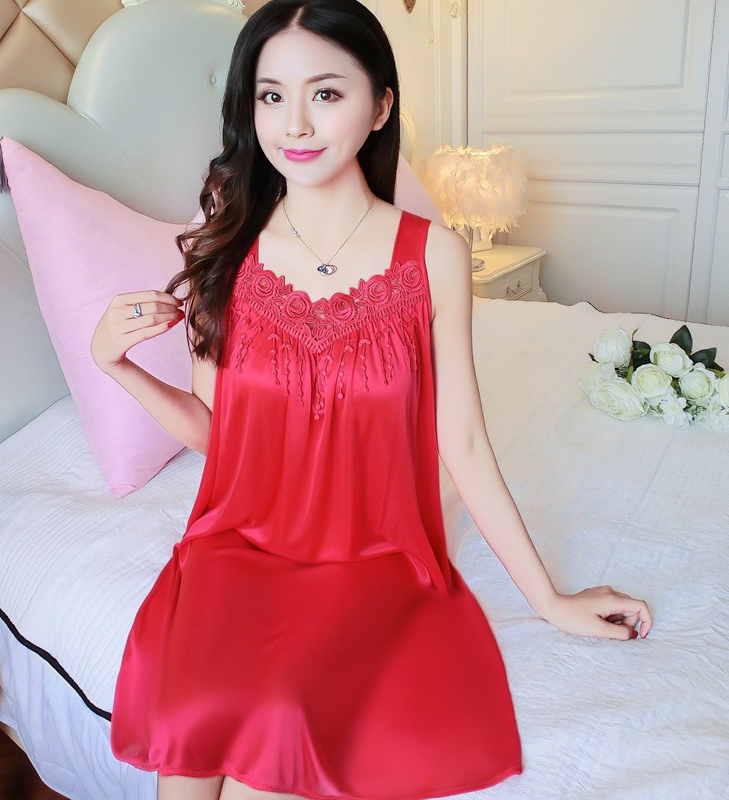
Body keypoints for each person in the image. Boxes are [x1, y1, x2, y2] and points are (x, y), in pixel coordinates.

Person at [91, 2, 654, 799]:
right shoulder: (230, 253)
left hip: (372, 555)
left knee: (276, 730)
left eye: (326, 93)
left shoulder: (435, 257)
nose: (295, 123)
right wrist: (116, 366)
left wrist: (550, 600)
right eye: (271, 95)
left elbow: (462, 442)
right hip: (236, 547)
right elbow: (217, 435)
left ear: (381, 104)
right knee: (192, 727)